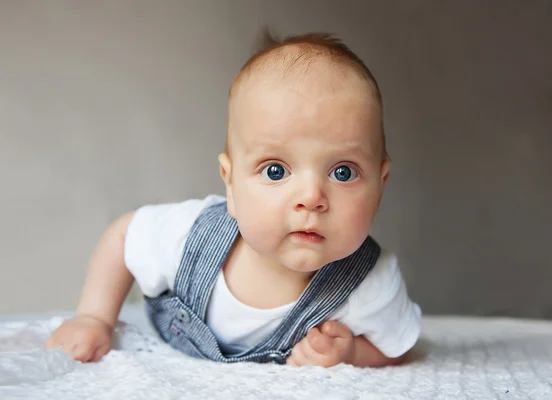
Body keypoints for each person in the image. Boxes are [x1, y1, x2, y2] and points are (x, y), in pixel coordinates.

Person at [46, 32, 422, 368]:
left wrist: (351, 353)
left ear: (380, 185)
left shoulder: (369, 283)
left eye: (343, 172)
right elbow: (124, 236)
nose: (311, 198)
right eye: (275, 171)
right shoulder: (191, 235)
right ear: (230, 184)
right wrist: (94, 318)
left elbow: (397, 346)